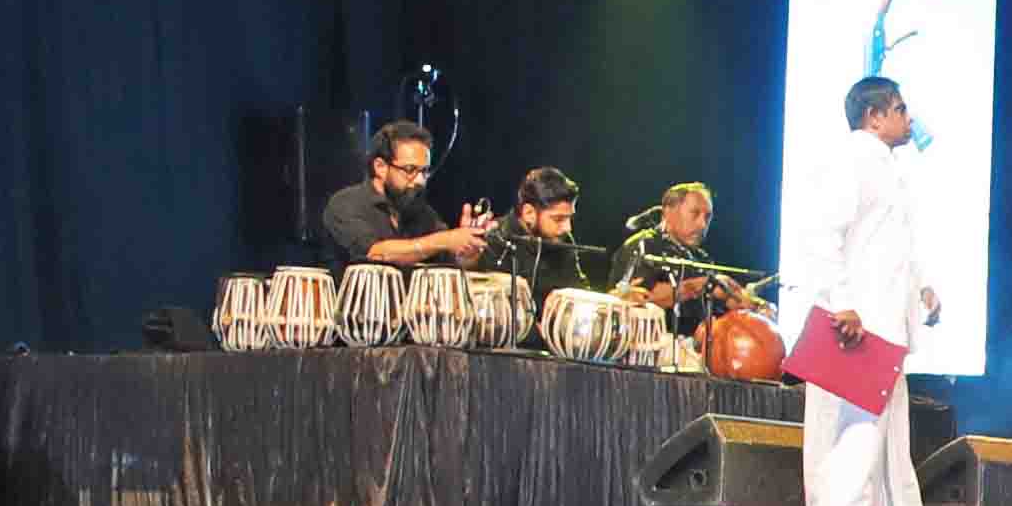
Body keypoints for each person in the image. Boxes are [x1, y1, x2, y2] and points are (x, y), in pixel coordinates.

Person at [795, 76, 939, 506]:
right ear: (874, 117)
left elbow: (890, 245)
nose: (908, 119)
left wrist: (922, 286)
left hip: (884, 326)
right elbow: (822, 234)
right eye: (900, 109)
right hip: (857, 326)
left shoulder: (886, 168)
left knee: (885, 442)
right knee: (853, 436)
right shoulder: (852, 159)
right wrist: (843, 303)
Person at [320, 119, 490, 268]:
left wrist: (468, 249)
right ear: (380, 167)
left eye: (424, 171)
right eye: (410, 170)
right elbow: (375, 254)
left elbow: (449, 260)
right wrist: (445, 240)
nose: (420, 180)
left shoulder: (422, 213)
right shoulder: (346, 204)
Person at [612, 181, 747, 332]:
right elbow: (637, 298)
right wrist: (701, 285)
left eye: (708, 217)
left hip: (698, 344)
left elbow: (726, 300)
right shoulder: (644, 246)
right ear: (668, 212)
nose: (703, 224)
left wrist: (751, 304)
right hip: (654, 342)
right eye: (695, 213)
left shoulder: (701, 258)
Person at [483, 168, 589, 302]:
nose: (567, 228)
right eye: (558, 219)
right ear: (529, 213)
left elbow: (577, 291)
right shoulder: (495, 239)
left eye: (569, 218)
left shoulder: (563, 240)